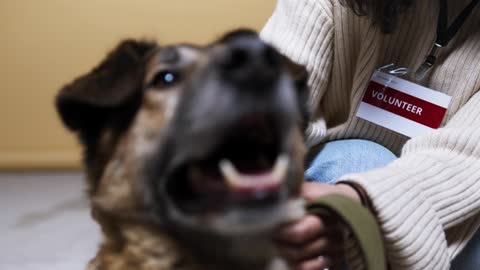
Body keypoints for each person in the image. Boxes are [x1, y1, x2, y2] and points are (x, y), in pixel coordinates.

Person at [260, 0, 480, 269]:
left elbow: (468, 157)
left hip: (446, 205)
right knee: (358, 160)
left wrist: (364, 198)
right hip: (320, 177)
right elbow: (271, 107)